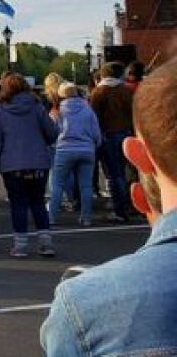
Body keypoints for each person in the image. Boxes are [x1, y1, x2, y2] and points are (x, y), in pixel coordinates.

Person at [41, 60, 177, 356]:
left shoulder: (83, 305)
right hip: (98, 145)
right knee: (103, 182)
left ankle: (58, 215)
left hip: (83, 147)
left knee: (65, 185)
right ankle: (93, 213)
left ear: (139, 154)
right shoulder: (119, 98)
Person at [0, 73, 59, 257]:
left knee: (18, 204)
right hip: (38, 162)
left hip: (12, 164)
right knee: (38, 202)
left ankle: (20, 245)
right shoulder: (37, 106)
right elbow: (51, 133)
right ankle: (46, 243)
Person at [47, 82, 102, 227]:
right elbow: (96, 132)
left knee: (58, 184)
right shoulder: (87, 109)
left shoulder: (57, 111)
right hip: (87, 149)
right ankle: (86, 217)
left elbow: (51, 132)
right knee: (86, 186)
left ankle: (52, 216)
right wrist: (95, 144)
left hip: (64, 149)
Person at [90, 62, 135, 223]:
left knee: (112, 174)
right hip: (126, 134)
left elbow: (94, 117)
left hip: (107, 135)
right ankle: (124, 206)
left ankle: (118, 209)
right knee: (122, 173)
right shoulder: (126, 91)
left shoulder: (99, 92)